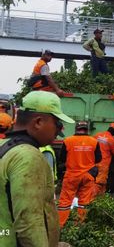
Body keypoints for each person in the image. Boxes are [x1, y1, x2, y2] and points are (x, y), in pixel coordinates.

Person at [0, 91, 75, 247]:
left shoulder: (4, 147)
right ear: (38, 122)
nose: (59, 132)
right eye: (57, 124)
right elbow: (29, 223)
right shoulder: (28, 156)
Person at [58, 121, 102, 227]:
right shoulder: (94, 141)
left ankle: (61, 226)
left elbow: (62, 158)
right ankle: (81, 225)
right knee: (84, 202)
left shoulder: (68, 141)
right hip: (88, 175)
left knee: (65, 202)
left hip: (71, 176)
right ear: (87, 130)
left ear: (76, 129)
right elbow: (98, 158)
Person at [93, 122, 114, 195]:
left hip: (94, 162)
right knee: (100, 182)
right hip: (103, 163)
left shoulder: (98, 135)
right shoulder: (111, 140)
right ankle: (93, 198)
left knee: (98, 181)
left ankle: (101, 196)